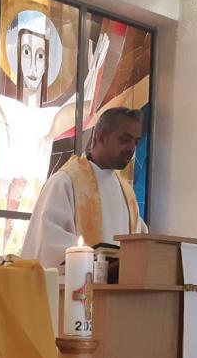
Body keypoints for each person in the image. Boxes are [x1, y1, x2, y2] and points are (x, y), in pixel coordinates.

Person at [21, 107, 149, 267]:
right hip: (78, 282)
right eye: (124, 139)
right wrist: (100, 263)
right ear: (100, 136)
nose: (131, 148)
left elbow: (140, 244)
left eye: (136, 142)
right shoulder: (66, 182)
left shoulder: (126, 193)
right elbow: (48, 244)